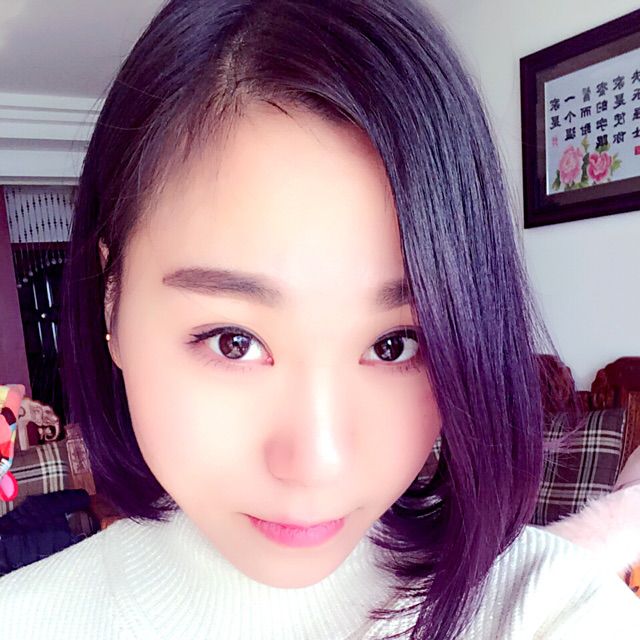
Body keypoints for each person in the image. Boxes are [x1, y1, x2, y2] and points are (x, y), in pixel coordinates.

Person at [1, 0, 638, 638]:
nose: (315, 463)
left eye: (394, 344)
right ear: (112, 302)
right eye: (234, 341)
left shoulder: (555, 610)